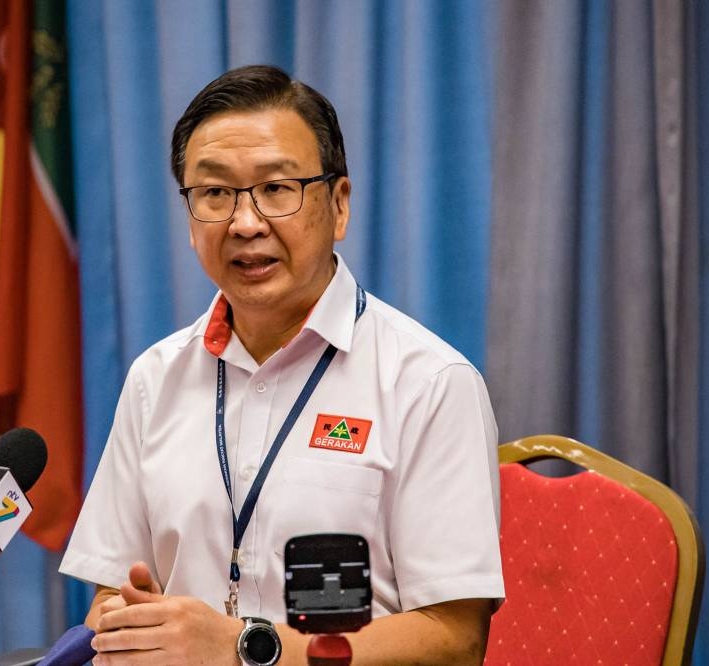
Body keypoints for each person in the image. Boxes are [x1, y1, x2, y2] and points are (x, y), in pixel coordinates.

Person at [59, 64, 503, 665]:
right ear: (191, 219)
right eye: (215, 193)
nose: (246, 223)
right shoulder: (154, 379)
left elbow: (455, 641)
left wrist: (244, 649)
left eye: (277, 189)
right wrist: (126, 621)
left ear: (338, 205)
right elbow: (112, 590)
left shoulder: (428, 384)